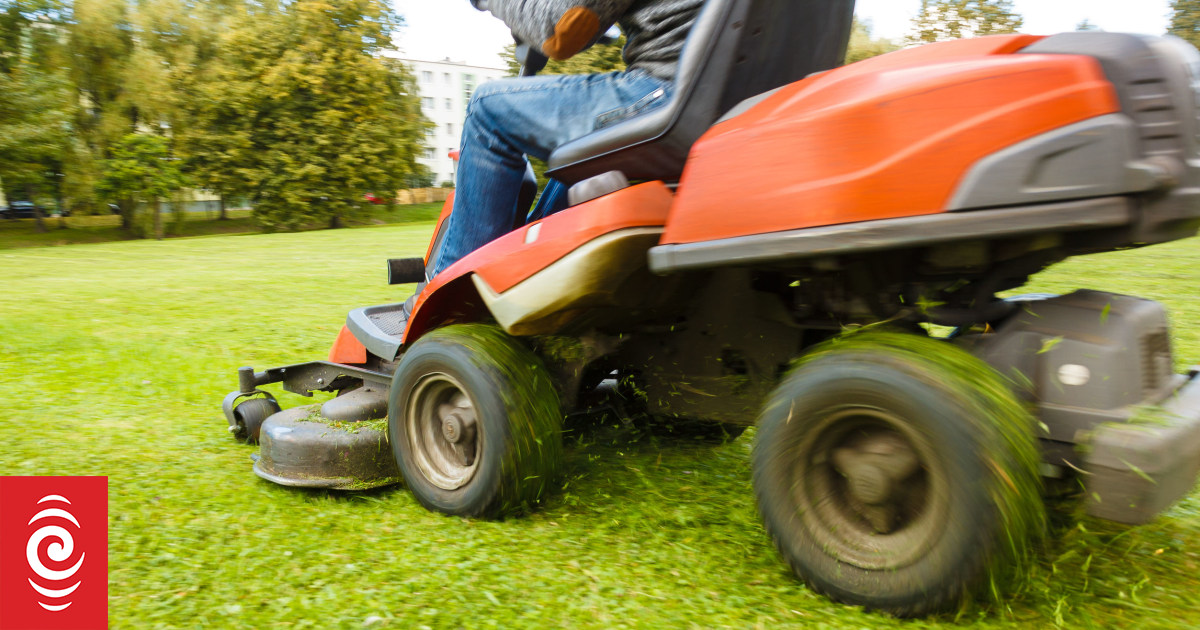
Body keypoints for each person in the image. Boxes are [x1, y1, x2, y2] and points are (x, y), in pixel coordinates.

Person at [431, 0, 705, 276]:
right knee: (578, 157)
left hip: (663, 93)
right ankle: (535, 270)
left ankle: (453, 288)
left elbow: (562, 26)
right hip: (715, 97)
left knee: (486, 108)